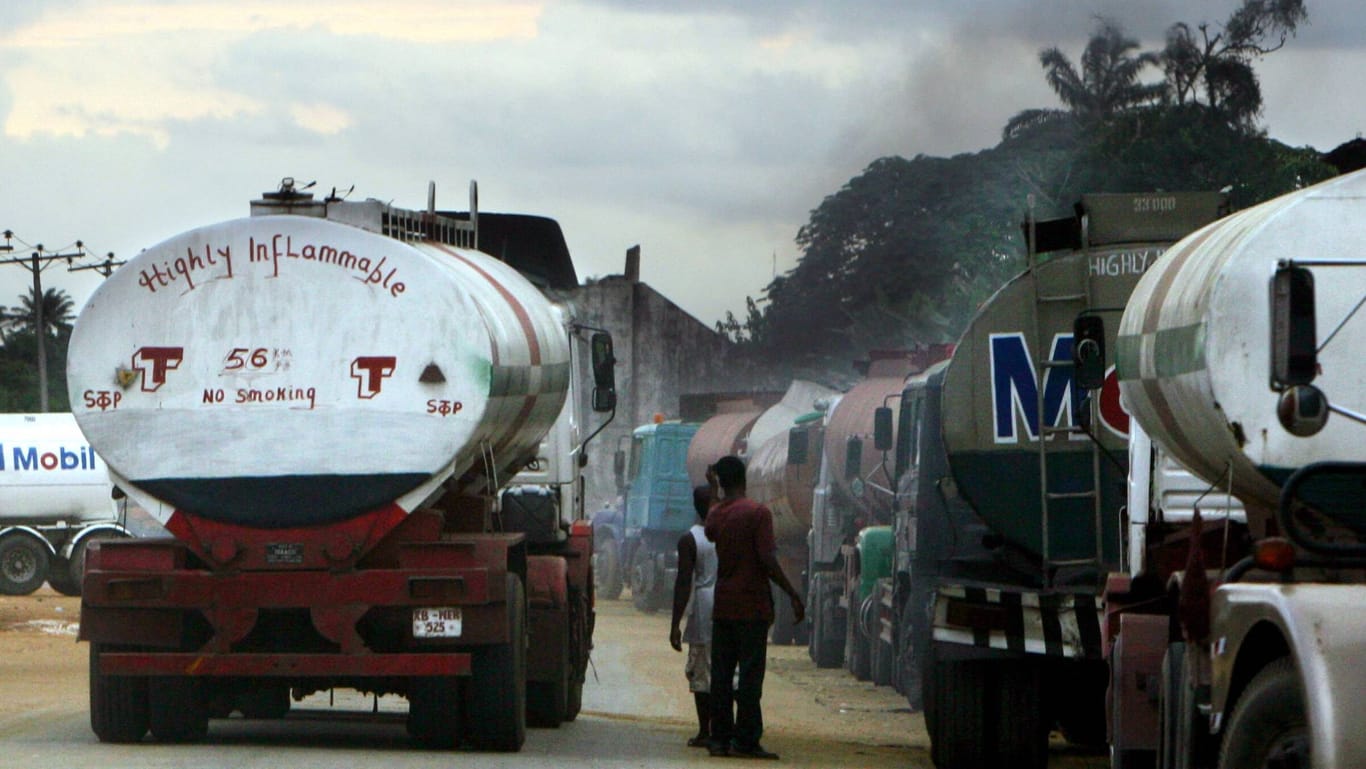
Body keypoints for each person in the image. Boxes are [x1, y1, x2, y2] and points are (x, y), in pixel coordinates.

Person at [704, 455, 804, 760]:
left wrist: (713, 491)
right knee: (749, 675)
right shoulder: (758, 513)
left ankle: (719, 739)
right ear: (744, 478)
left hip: (723, 605)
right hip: (752, 605)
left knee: (721, 675)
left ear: (721, 482)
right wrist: (791, 592)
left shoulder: (717, 515)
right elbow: (767, 559)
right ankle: (745, 740)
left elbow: (709, 525)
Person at [669, 484, 718, 748]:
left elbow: (683, 583)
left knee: (701, 669)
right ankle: (725, 727)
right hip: (728, 600)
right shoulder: (730, 533)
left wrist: (675, 624)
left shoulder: (689, 539)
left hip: (703, 604)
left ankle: (705, 731)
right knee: (726, 666)